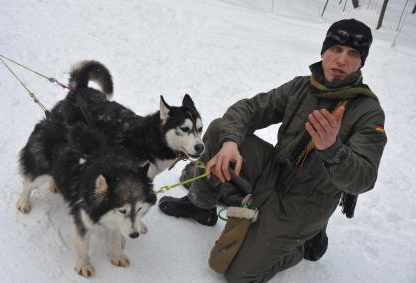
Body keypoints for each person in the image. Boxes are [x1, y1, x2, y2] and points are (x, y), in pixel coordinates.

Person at [159, 19, 387, 282]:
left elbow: (364, 178)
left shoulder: (368, 112)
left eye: (353, 54)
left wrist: (333, 150)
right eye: (336, 49)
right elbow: (248, 109)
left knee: (238, 274)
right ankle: (201, 206)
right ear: (323, 51)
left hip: (305, 203)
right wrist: (231, 142)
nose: (342, 60)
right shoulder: (302, 86)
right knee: (221, 129)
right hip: (274, 172)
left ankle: (304, 244)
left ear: (361, 62)